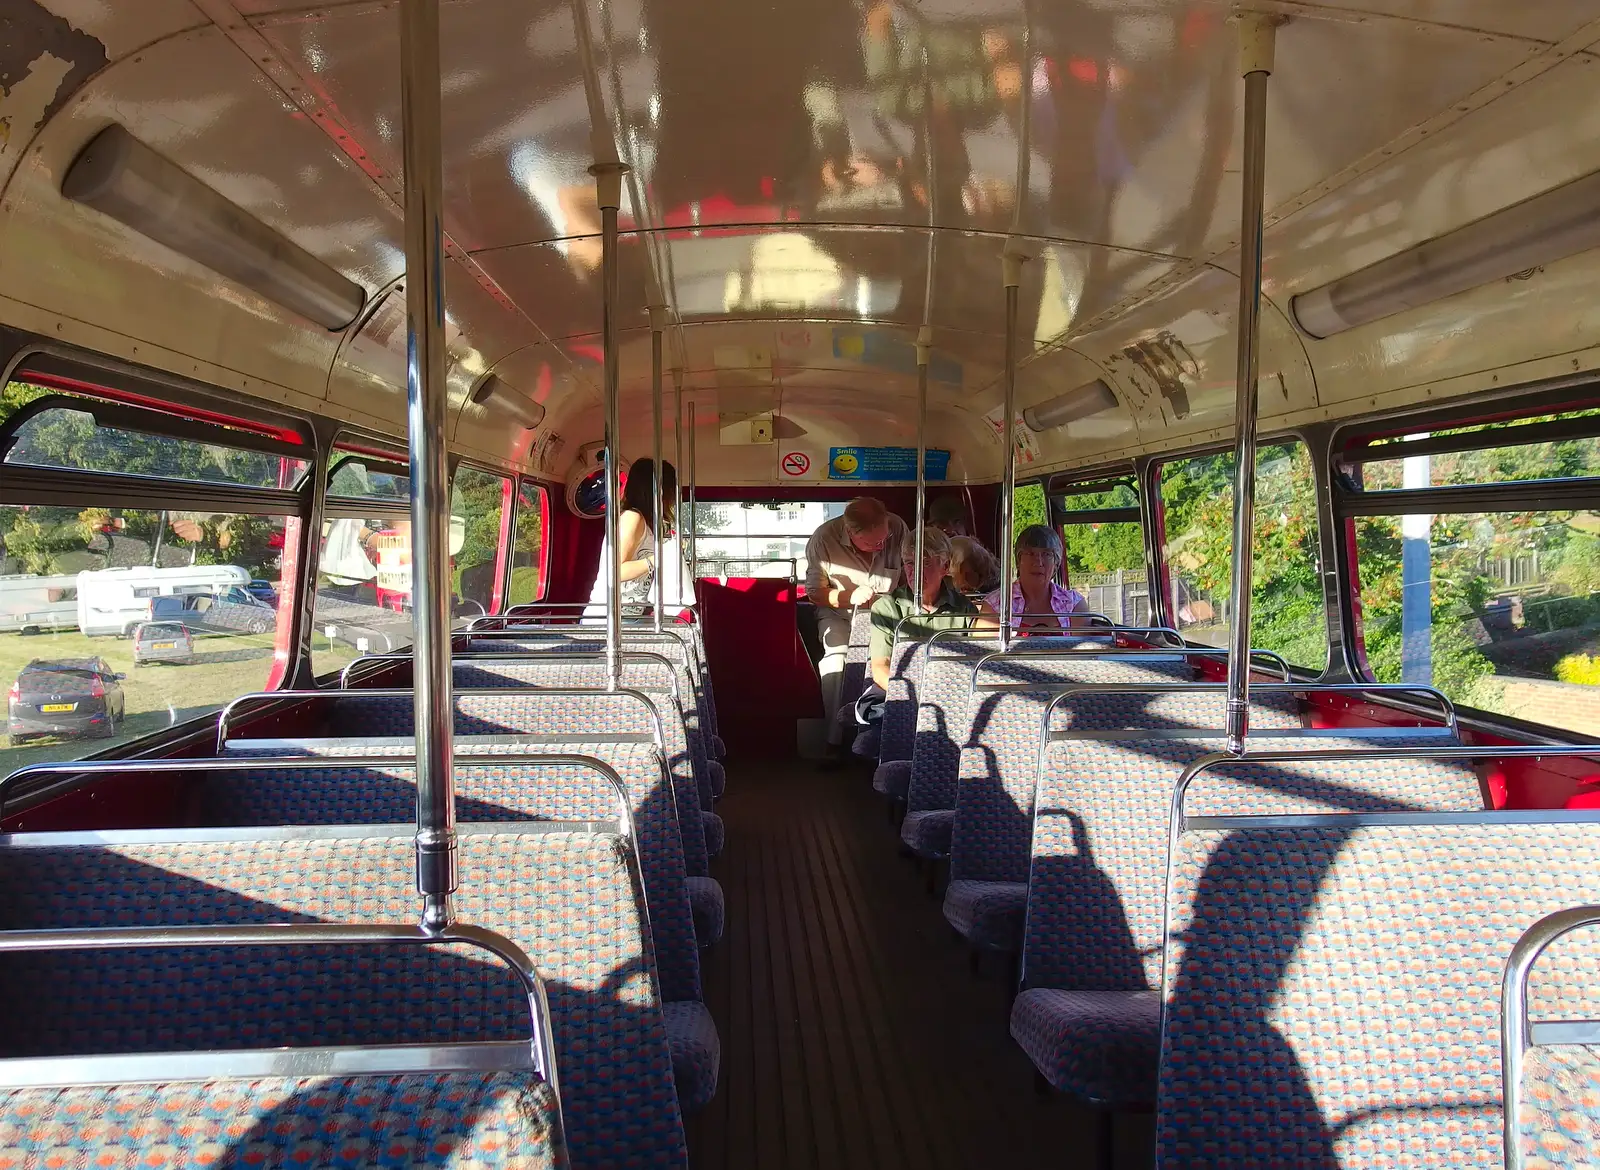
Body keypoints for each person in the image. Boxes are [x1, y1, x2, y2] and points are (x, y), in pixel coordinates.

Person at [850, 525, 976, 758]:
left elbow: (973, 666)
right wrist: (917, 696)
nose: (914, 571)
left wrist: (945, 696)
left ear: (945, 567)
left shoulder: (965, 610)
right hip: (900, 689)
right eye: (909, 563)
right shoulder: (887, 609)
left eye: (925, 563)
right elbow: (880, 668)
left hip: (951, 693)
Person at [804, 496, 908, 749]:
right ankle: (835, 739)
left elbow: (909, 576)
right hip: (838, 613)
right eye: (873, 543)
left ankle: (892, 736)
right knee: (837, 661)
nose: (882, 545)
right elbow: (815, 593)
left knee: (901, 658)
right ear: (851, 532)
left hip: (888, 615)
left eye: (884, 540)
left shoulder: (898, 528)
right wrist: (848, 596)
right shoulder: (823, 539)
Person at [583, 457, 677, 621]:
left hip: (630, 614)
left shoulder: (648, 523)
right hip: (609, 618)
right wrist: (658, 559)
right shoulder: (632, 518)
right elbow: (615, 571)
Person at [975, 523, 1088, 632]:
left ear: (1056, 563)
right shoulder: (995, 605)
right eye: (1030, 554)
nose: (1038, 562)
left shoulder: (1074, 604)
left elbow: (1083, 650)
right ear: (1019, 560)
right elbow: (984, 650)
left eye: (1046, 554)